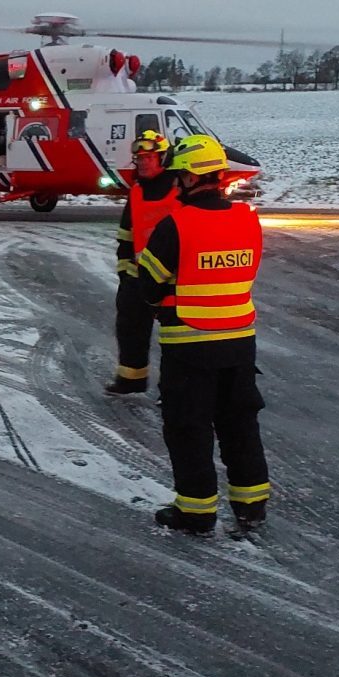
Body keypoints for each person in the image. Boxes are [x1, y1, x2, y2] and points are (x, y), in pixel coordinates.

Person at [138, 134, 269, 536]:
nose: (175, 183)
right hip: (240, 343)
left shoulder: (175, 225)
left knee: (189, 428)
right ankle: (251, 507)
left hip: (190, 346)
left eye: (179, 176)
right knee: (240, 425)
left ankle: (195, 513)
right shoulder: (248, 219)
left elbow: (149, 286)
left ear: (191, 179)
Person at [106, 130, 177, 395]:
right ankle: (131, 379)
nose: (143, 162)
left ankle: (171, 391)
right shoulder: (136, 191)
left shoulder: (177, 188)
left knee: (174, 340)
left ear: (162, 158)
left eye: (149, 157)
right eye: (139, 158)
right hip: (138, 277)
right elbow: (126, 235)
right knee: (130, 329)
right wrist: (125, 272)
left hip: (172, 279)